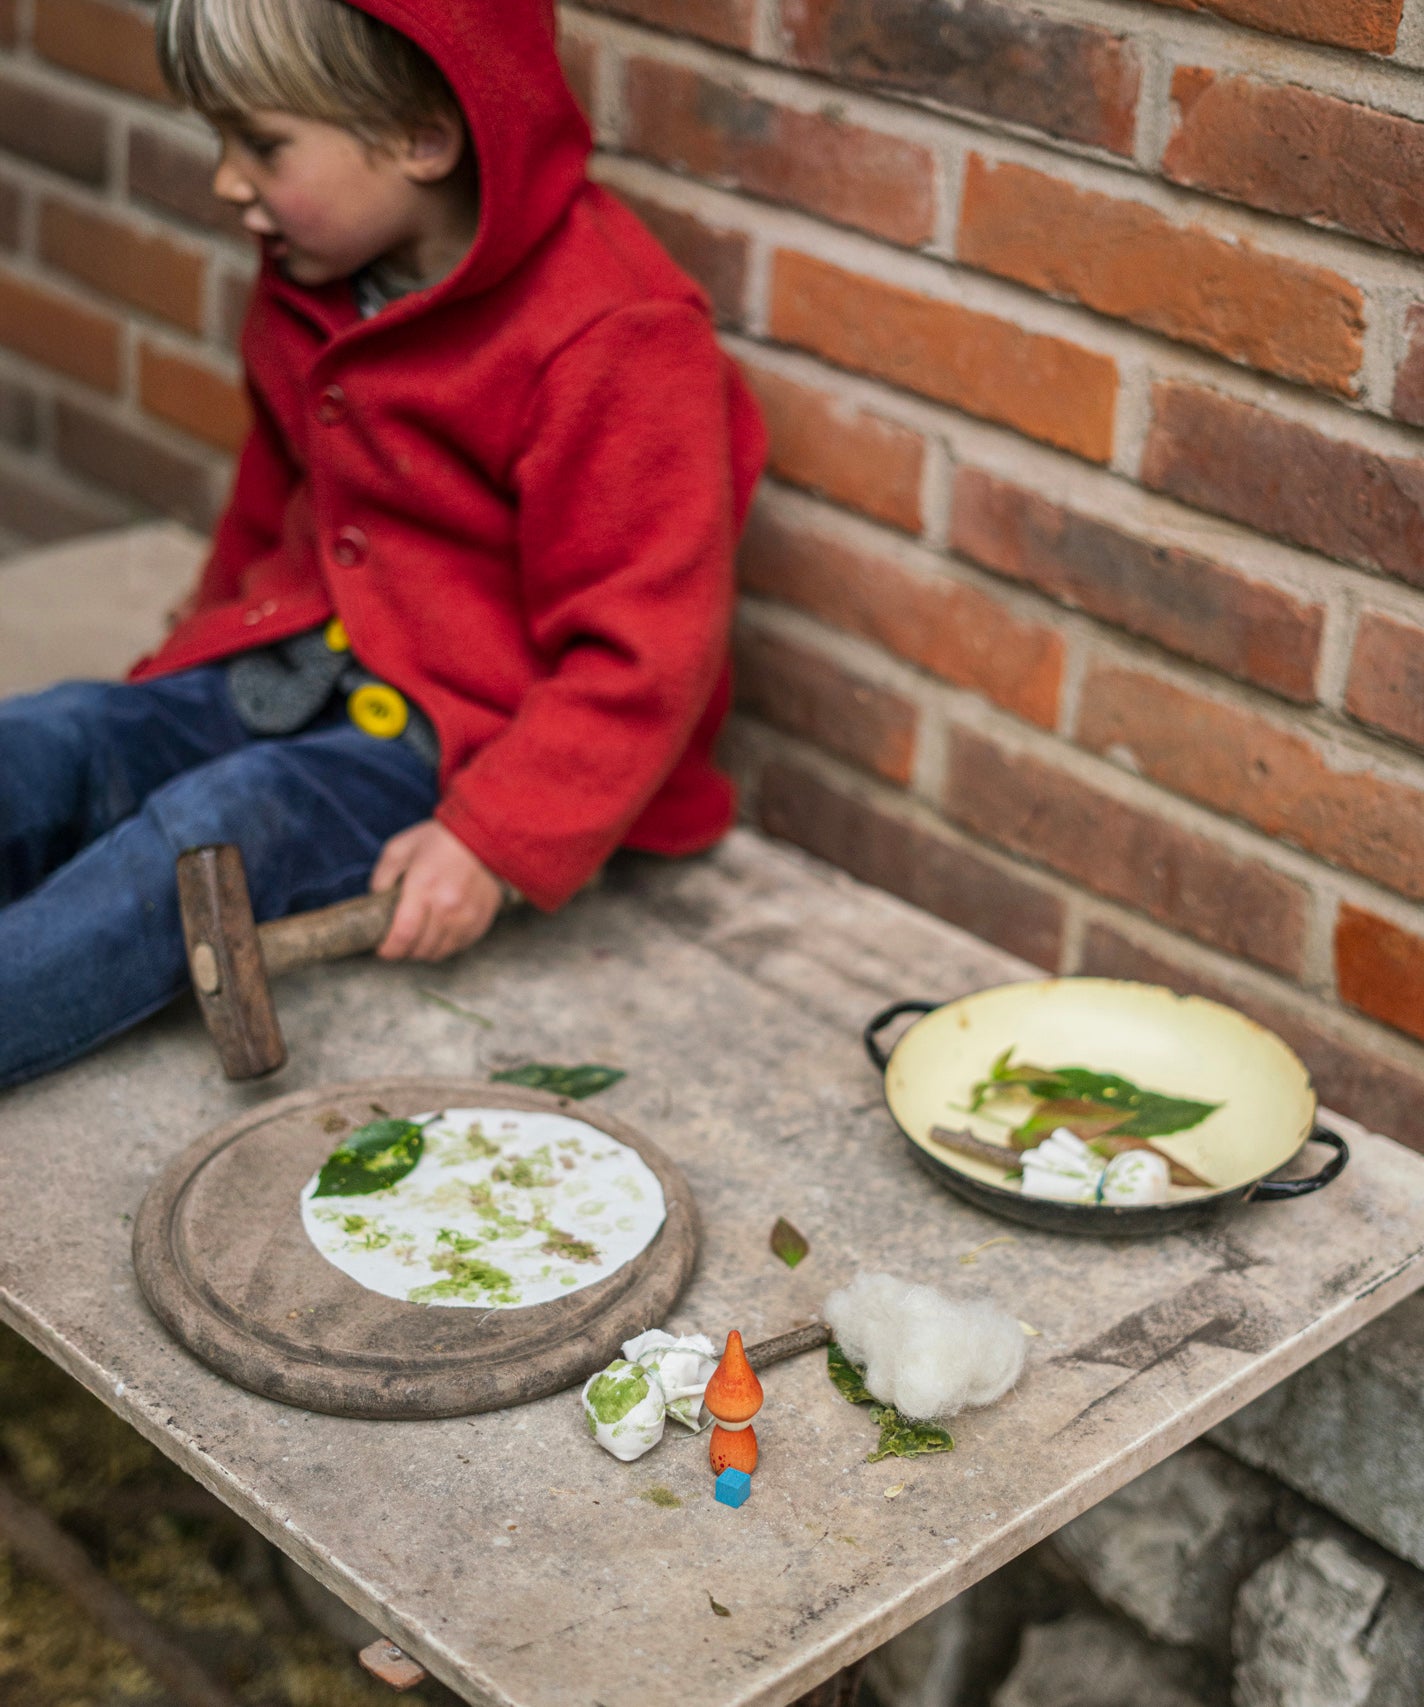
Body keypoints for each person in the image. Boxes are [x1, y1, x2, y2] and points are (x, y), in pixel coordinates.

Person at [0, 0, 765, 1089]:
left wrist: (497, 840)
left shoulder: (613, 338)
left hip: (459, 741)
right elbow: (275, 498)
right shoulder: (320, 272)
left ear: (421, 139)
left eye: (261, 145)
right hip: (300, 657)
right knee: (67, 733)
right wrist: (196, 652)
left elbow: (648, 651)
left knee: (216, 827)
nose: (227, 181)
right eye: (220, 140)